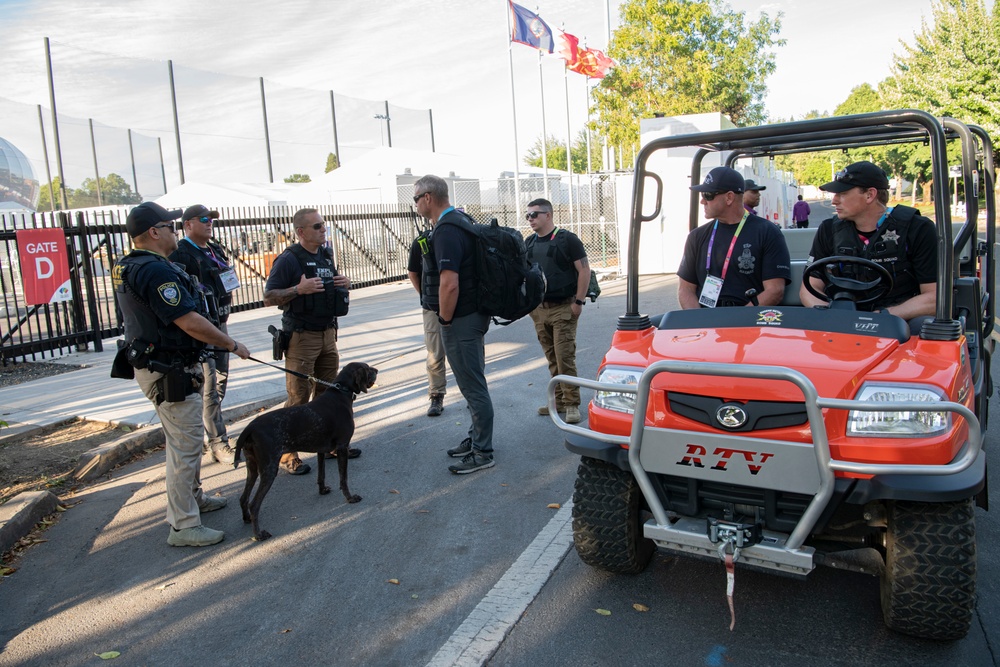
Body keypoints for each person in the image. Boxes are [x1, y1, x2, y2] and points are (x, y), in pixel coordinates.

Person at [112, 202, 250, 547]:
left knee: (184, 443)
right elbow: (187, 320)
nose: (175, 232)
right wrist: (230, 344)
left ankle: (194, 499)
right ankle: (183, 525)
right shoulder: (156, 271)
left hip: (163, 363)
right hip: (167, 370)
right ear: (154, 232)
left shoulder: (135, 265)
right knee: (185, 447)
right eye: (170, 226)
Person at [263, 208, 357, 476]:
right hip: (302, 337)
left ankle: (327, 445)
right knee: (299, 397)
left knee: (328, 394)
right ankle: (286, 453)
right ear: (301, 232)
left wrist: (345, 283)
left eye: (324, 225)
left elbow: (332, 288)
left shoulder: (325, 255)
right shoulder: (289, 260)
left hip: (328, 333)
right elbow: (268, 297)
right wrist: (297, 290)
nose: (323, 229)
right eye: (317, 226)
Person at [413, 174, 495, 474]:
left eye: (416, 198)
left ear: (428, 198)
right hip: (473, 314)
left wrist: (445, 321)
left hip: (461, 318)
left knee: (473, 386)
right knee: (473, 381)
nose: (416, 204)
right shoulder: (462, 220)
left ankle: (483, 452)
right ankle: (476, 439)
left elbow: (449, 284)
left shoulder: (447, 230)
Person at [799, 161, 937, 326]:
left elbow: (934, 298)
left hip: (898, 321)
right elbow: (808, 289)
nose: (834, 201)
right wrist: (832, 316)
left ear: (870, 195)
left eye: (842, 193)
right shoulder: (829, 230)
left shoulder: (917, 228)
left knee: (924, 326)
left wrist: (883, 316)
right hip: (841, 320)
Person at [169, 204, 239, 465]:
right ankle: (218, 443)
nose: (210, 223)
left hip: (220, 324)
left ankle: (208, 435)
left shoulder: (215, 249)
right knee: (209, 387)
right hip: (202, 330)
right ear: (188, 224)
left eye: (212, 220)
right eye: (204, 219)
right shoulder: (181, 254)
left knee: (219, 384)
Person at [677, 166, 791, 309]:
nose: (702, 201)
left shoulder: (767, 232)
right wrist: (698, 322)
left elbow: (774, 290)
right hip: (706, 319)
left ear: (729, 197)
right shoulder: (696, 236)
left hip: (748, 319)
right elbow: (685, 289)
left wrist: (737, 319)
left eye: (708, 195)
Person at [524, 198, 590, 425]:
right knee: (552, 358)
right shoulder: (529, 243)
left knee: (564, 357)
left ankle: (572, 404)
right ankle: (559, 400)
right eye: (528, 215)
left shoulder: (567, 239)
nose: (530, 219)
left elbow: (584, 270)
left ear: (548, 215)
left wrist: (578, 302)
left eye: (535, 214)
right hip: (540, 310)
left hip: (564, 307)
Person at [407, 230, 448, 417]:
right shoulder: (422, 241)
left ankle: (473, 394)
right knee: (435, 353)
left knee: (467, 353)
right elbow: (413, 272)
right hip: (433, 306)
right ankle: (436, 395)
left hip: (463, 306)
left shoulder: (460, 235)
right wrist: (426, 296)